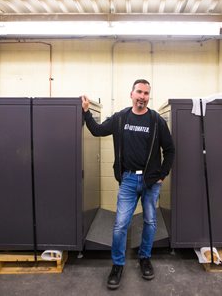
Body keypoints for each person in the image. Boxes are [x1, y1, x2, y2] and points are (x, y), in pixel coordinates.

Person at [81, 79, 175, 290]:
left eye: (146, 93)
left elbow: (170, 149)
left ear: (149, 97)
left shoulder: (156, 120)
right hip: (129, 180)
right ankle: (117, 265)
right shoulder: (120, 118)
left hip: (151, 182)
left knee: (150, 222)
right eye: (139, 92)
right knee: (120, 224)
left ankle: (144, 258)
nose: (142, 96)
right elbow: (97, 130)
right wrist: (86, 112)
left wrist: (162, 174)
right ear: (131, 94)